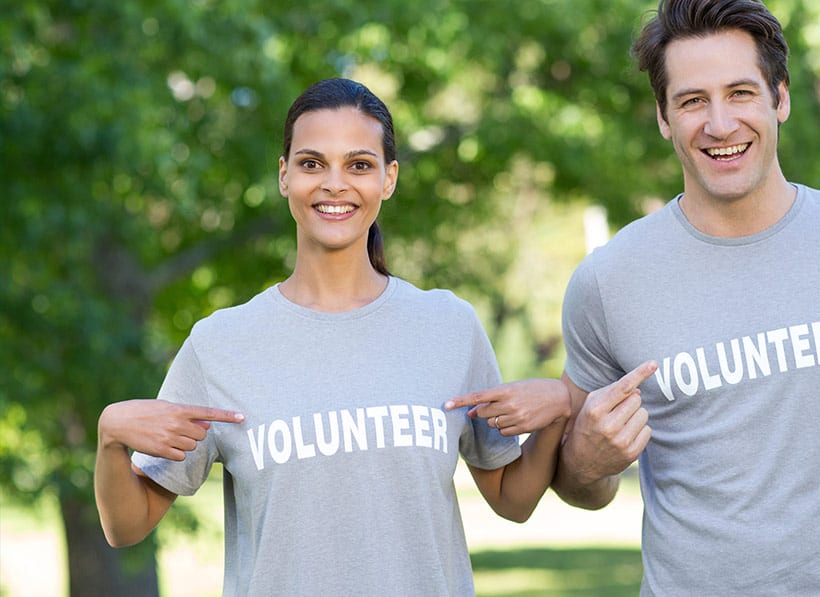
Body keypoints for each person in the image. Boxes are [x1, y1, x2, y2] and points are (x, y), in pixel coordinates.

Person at [453, 0, 820, 594]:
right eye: (692, 101)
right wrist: (586, 462)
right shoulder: (606, 282)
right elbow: (585, 488)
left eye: (741, 93)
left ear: (779, 98)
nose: (720, 124)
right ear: (663, 116)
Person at [93, 77, 571, 596]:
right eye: (312, 163)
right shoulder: (220, 345)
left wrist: (558, 411)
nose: (334, 184)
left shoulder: (448, 326)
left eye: (359, 165)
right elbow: (127, 526)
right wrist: (110, 438)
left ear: (389, 179)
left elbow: (511, 498)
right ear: (284, 176)